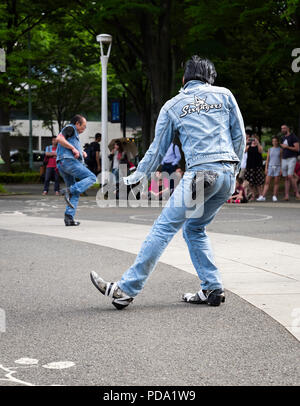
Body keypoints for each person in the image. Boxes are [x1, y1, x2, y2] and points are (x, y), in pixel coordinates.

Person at [90, 55, 245, 310]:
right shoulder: (225, 95)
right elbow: (238, 135)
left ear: (184, 79)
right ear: (209, 79)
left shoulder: (173, 105)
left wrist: (135, 178)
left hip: (200, 176)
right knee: (195, 228)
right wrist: (234, 171)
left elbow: (156, 151)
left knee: (163, 229)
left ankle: (125, 290)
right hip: (226, 175)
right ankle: (212, 287)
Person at [56, 115, 97, 226]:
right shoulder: (70, 128)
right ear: (77, 123)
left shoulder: (74, 134)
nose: (83, 130)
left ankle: (69, 218)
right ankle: (69, 190)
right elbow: (59, 138)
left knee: (76, 193)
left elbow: (69, 143)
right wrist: (73, 149)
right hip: (68, 162)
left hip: (63, 164)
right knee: (92, 178)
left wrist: (81, 151)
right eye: (83, 127)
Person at [257, 136, 282, 202]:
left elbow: (281, 160)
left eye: (275, 141)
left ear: (277, 142)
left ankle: (274, 196)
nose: (274, 142)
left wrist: (281, 169)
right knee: (267, 182)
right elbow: (267, 160)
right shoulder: (270, 149)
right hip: (270, 167)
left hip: (277, 167)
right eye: (273, 141)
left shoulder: (280, 150)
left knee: (276, 182)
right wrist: (266, 168)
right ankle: (263, 196)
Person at [280, 124, 300, 201]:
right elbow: (282, 150)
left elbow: (297, 148)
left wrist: (287, 147)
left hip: (292, 158)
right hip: (284, 159)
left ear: (288, 128)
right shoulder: (282, 138)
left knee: (290, 176)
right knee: (286, 178)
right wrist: (281, 160)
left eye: (284, 128)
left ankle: (297, 193)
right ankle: (286, 195)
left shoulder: (293, 137)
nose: (282, 129)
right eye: (281, 128)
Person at [244, 134, 264, 201]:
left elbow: (260, 151)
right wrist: (246, 142)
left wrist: (257, 143)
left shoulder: (259, 146)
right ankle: (253, 195)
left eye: (255, 139)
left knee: (258, 182)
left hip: (257, 167)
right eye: (252, 139)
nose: (253, 140)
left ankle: (261, 195)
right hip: (250, 166)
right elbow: (243, 151)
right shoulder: (248, 146)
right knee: (251, 183)